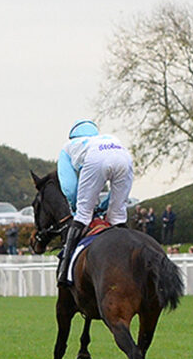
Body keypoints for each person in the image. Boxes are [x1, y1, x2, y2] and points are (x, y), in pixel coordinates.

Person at [54, 119, 135, 288]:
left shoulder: (69, 147)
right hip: (124, 156)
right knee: (118, 217)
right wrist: (105, 206)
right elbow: (116, 194)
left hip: (96, 159)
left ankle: (65, 270)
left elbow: (69, 188)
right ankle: (132, 264)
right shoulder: (108, 138)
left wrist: (78, 207)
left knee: (83, 216)